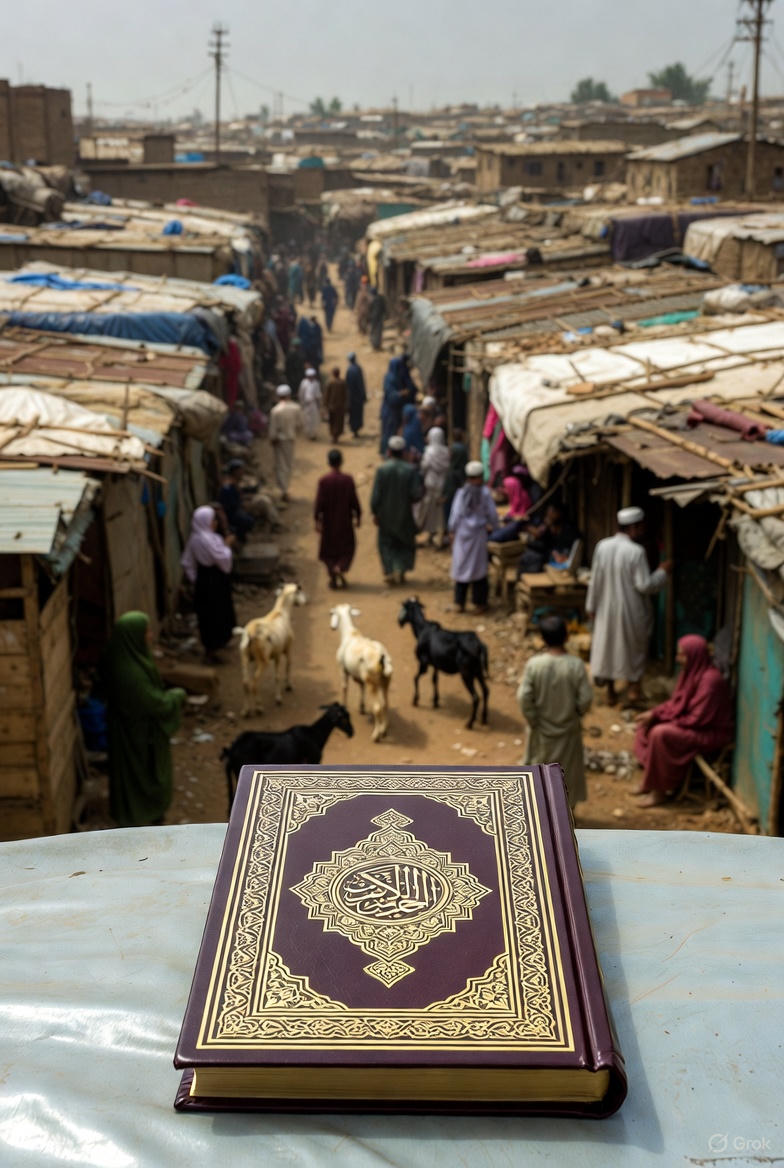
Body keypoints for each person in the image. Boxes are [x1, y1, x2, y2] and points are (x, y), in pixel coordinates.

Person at [100, 611, 185, 828]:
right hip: (137, 735)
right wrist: (176, 697)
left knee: (131, 775)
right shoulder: (130, 673)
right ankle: (141, 817)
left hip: (129, 729)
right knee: (141, 776)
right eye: (146, 631)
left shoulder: (123, 656)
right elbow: (154, 703)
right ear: (133, 635)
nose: (150, 635)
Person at [633, 635, 733, 807]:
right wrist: (654, 713)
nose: (678, 659)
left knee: (660, 734)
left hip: (709, 732)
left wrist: (667, 720)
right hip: (692, 724)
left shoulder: (711, 681)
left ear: (695, 655)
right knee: (646, 725)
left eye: (682, 655)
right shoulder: (690, 673)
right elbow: (676, 703)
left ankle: (660, 791)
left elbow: (698, 719)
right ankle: (649, 782)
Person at [586, 506, 671, 706]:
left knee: (608, 648)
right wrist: (662, 572)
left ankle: (611, 692)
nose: (642, 531)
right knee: (633, 649)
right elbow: (644, 585)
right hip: (631, 610)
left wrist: (591, 606)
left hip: (606, 608)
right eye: (640, 527)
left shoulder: (602, 546)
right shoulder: (636, 551)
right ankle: (634, 692)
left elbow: (595, 580)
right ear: (633, 527)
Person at [517, 615, 594, 810]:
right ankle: (566, 818)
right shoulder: (575, 665)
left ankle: (542, 816)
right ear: (567, 637)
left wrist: (534, 720)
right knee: (566, 776)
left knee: (540, 774)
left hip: (541, 731)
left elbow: (524, 697)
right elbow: (585, 698)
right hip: (568, 732)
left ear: (543, 639)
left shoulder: (535, 664)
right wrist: (575, 713)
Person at [181, 505, 237, 662]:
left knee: (209, 615)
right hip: (214, 579)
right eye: (213, 520)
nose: (215, 523)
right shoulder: (206, 540)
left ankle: (215, 647)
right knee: (215, 614)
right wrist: (227, 545)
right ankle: (212, 651)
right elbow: (222, 558)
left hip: (205, 581)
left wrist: (196, 580)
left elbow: (187, 563)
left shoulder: (196, 539)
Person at [370, 435, 423, 585]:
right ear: (403, 451)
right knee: (404, 542)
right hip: (404, 513)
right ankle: (401, 568)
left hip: (385, 514)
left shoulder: (382, 469)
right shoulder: (410, 470)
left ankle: (390, 570)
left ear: (389, 451)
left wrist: (375, 512)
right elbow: (416, 494)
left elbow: (376, 495)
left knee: (386, 543)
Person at [448, 460, 499, 614]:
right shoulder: (484, 493)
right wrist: (496, 528)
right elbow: (493, 515)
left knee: (466, 567)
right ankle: (472, 603)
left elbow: (455, 515)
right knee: (476, 569)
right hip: (475, 535)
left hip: (466, 535)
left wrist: (452, 530)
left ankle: (464, 603)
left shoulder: (462, 493)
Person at [314, 448, 362, 589]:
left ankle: (333, 574)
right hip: (345, 521)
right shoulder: (348, 480)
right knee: (346, 548)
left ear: (328, 463)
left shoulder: (324, 481)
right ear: (341, 462)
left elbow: (319, 503)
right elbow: (354, 501)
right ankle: (340, 567)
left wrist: (317, 520)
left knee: (329, 549)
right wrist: (358, 516)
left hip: (328, 522)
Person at [517, 503, 578, 574]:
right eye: (548, 513)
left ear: (559, 514)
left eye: (552, 512)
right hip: (550, 559)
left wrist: (560, 556)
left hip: (561, 563)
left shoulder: (569, 532)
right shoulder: (548, 530)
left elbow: (567, 555)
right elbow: (542, 542)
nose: (549, 515)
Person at [415, 426, 450, 546]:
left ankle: (430, 533)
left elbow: (424, 467)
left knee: (430, 511)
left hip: (430, 484)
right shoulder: (446, 451)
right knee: (440, 511)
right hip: (442, 485)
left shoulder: (429, 451)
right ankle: (439, 534)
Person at [268, 383, 303, 502]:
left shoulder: (275, 410)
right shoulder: (296, 408)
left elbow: (272, 429)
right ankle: (285, 489)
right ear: (289, 395)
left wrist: (272, 439)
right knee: (288, 464)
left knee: (280, 465)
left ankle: (283, 489)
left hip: (279, 440)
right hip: (290, 439)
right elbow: (299, 425)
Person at [379, 355, 416, 455]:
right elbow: (391, 396)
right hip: (390, 412)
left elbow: (412, 389)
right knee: (388, 432)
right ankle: (386, 453)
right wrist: (401, 394)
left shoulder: (402, 376)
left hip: (399, 411)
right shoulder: (389, 379)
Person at [218, 459, 255, 541]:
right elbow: (229, 505)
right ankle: (239, 538)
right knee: (248, 521)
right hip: (230, 513)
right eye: (240, 470)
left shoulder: (234, 482)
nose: (242, 472)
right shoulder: (227, 486)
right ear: (235, 471)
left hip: (235, 510)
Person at [490, 473, 533, 542]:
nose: (505, 491)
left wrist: (507, 517)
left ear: (513, 487)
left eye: (506, 488)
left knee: (496, 536)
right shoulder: (515, 497)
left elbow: (518, 517)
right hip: (514, 523)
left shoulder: (523, 500)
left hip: (518, 524)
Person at [443, 428, 468, 528]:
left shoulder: (452, 448)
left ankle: (449, 528)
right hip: (461, 477)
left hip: (452, 479)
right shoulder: (464, 448)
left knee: (449, 506)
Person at [323, 366, 348, 443]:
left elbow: (327, 395)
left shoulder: (330, 382)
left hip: (332, 407)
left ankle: (334, 437)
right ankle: (336, 436)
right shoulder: (342, 382)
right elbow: (346, 395)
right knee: (338, 422)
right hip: (340, 407)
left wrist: (325, 405)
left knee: (333, 422)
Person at [346, 352, 367, 438]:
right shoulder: (358, 368)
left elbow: (347, 385)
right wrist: (363, 395)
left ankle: (354, 431)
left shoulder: (350, 370)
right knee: (358, 414)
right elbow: (361, 383)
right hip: (358, 397)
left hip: (352, 397)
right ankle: (356, 430)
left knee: (353, 414)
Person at [298, 366, 323, 441]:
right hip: (306, 404)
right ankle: (308, 433)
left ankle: (313, 434)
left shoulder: (316, 383)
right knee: (306, 419)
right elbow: (301, 393)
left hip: (313, 403)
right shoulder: (303, 383)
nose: (311, 378)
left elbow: (318, 394)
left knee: (314, 419)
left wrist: (319, 403)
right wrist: (302, 402)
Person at [368, 286, 387, 350]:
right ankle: (377, 345)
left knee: (375, 332)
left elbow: (372, 310)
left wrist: (371, 319)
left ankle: (375, 345)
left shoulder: (374, 300)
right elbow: (384, 308)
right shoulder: (381, 298)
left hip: (375, 318)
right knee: (379, 332)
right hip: (380, 317)